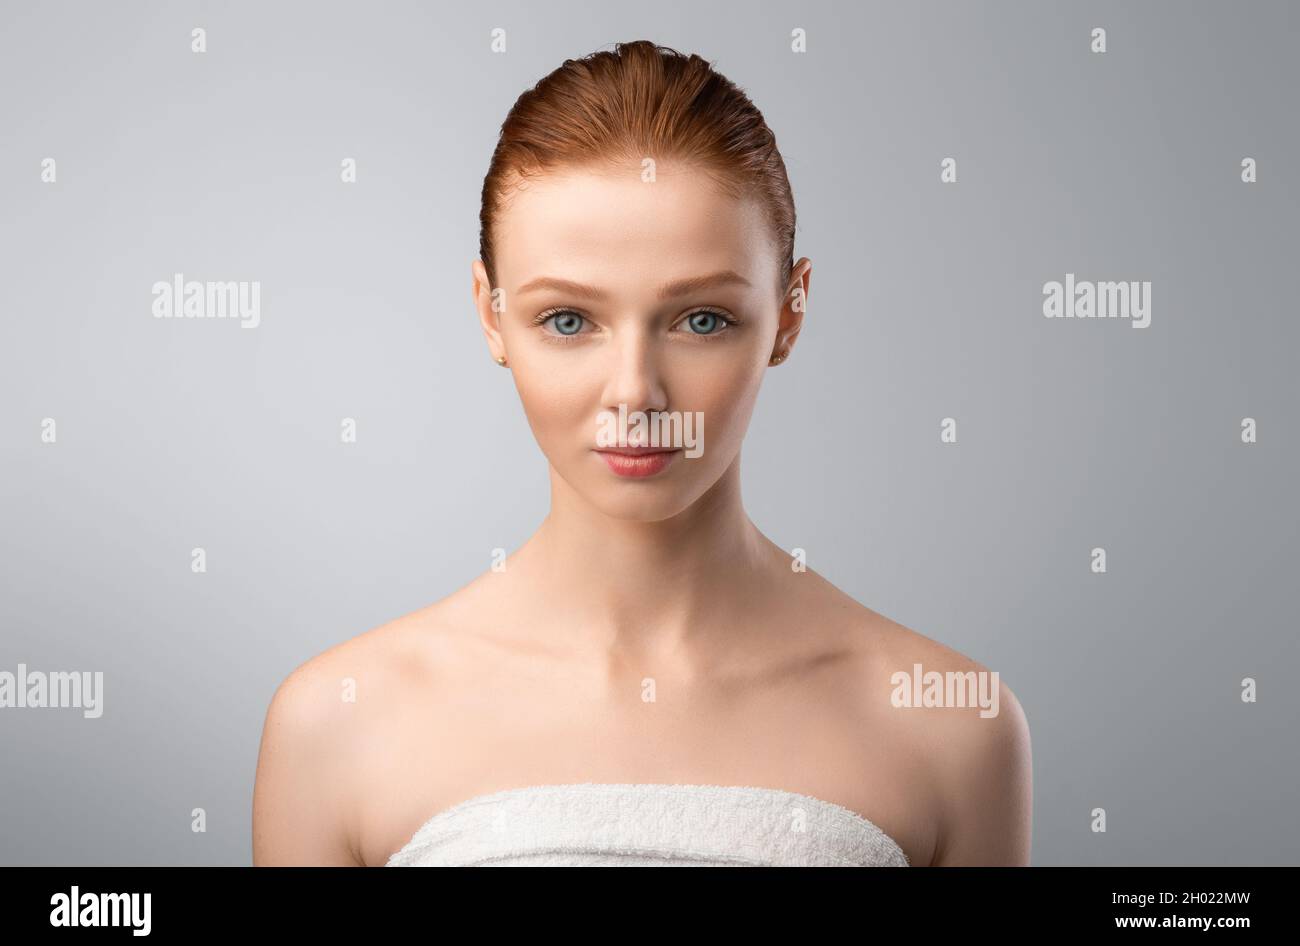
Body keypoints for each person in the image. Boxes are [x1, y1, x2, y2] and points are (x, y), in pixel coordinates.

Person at [252, 40, 1032, 867]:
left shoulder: (951, 728)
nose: (635, 394)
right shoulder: (336, 725)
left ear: (790, 313)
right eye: (567, 320)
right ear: (491, 315)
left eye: (701, 319)